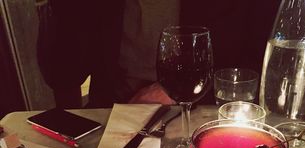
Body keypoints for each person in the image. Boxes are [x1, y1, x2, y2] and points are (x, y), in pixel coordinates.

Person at [37, 0, 281, 108]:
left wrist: (175, 90)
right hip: (115, 113)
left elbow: (261, 66)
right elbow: (62, 75)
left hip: (206, 113)